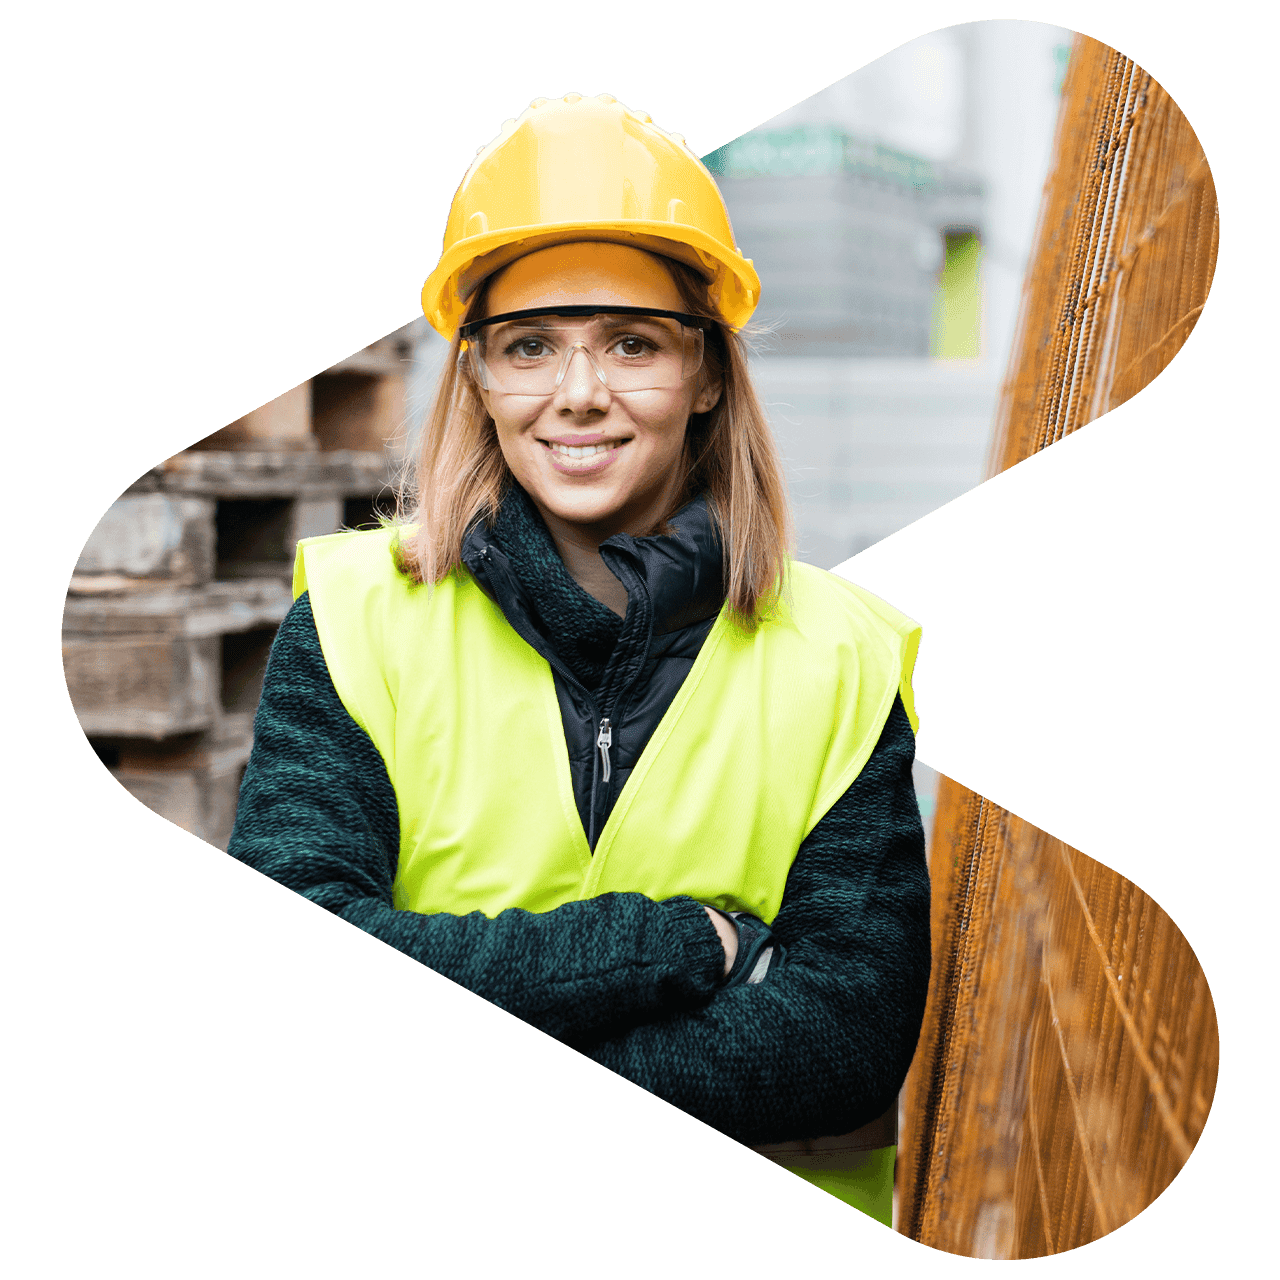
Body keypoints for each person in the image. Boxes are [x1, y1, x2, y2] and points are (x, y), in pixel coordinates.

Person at [229, 92, 930, 1225]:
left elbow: (843, 1041)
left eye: (631, 343)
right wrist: (676, 945)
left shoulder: (841, 658)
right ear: (476, 376)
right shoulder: (360, 621)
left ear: (707, 373)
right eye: (530, 346)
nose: (579, 394)